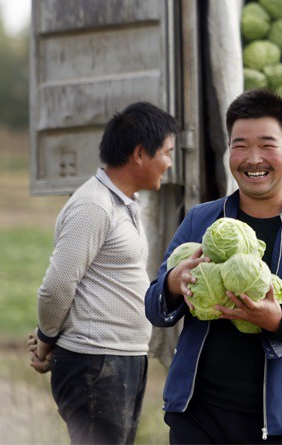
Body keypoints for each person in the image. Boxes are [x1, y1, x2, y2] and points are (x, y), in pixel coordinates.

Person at [145, 89, 282, 444]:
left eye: (266, 145)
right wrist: (171, 283)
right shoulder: (201, 219)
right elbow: (154, 306)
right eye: (240, 145)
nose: (253, 158)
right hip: (197, 414)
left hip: (281, 423)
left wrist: (280, 320)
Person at [27, 102, 179, 444]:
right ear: (140, 153)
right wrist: (47, 339)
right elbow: (58, 285)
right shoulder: (93, 206)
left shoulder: (121, 203)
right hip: (95, 364)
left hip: (118, 359)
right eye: (167, 153)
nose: (170, 163)